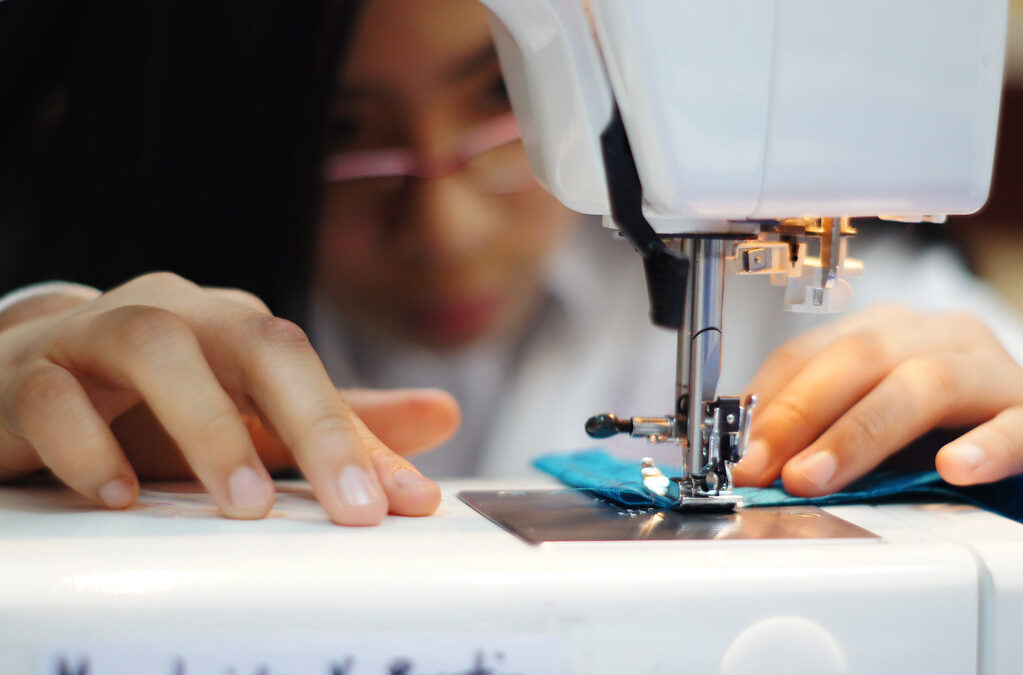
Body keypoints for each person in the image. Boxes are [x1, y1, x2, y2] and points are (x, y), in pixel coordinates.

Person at [1, 0, 1022, 528]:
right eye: (342, 131)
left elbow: (988, 384)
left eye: (495, 97)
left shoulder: (850, 311)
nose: (443, 229)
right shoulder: (134, 332)